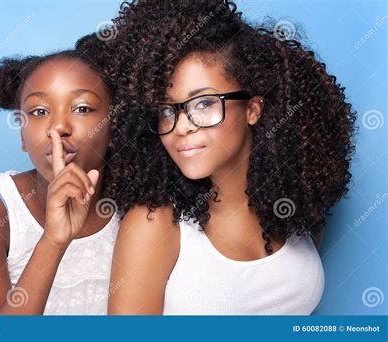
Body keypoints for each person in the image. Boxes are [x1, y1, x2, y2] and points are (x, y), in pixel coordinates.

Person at [103, 0, 356, 315]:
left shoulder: (296, 202)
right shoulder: (155, 224)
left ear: (253, 108)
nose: (180, 127)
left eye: (204, 104)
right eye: (167, 110)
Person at [0, 35, 120, 315]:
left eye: (82, 108)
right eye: (39, 111)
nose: (58, 126)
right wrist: (53, 241)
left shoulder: (136, 211)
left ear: (115, 128)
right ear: (22, 138)